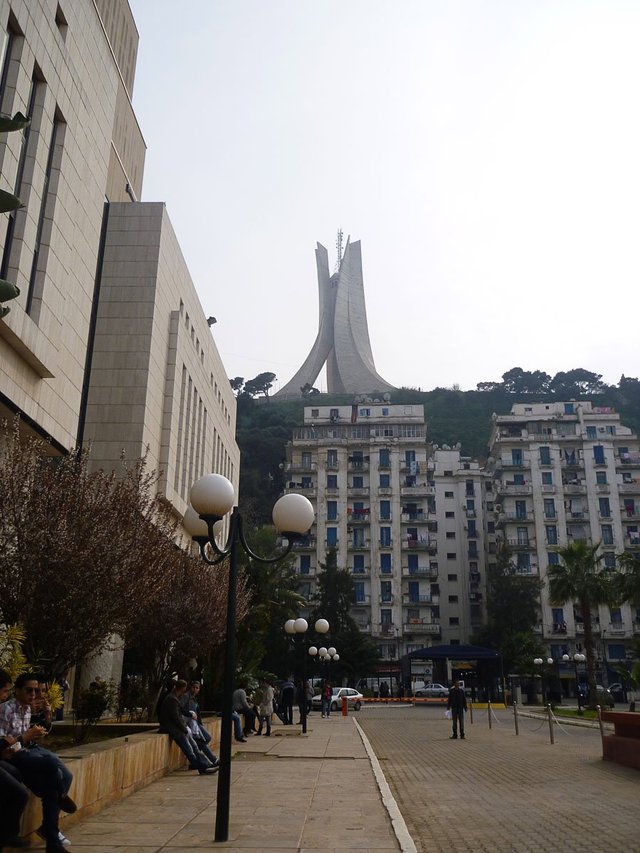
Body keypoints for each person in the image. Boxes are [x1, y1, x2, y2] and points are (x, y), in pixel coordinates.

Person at [0, 671, 75, 853]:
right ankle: (61, 798)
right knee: (50, 764)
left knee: (54, 786)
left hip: (24, 751)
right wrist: (24, 737)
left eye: (36, 691)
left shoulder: (27, 708)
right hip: (14, 755)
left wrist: (46, 718)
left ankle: (53, 841)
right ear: (17, 690)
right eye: (29, 691)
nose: (33, 695)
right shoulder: (6, 709)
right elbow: (5, 743)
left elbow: (41, 730)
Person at [157, 680, 217, 775]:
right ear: (182, 688)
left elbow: (181, 711)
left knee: (195, 747)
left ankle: (206, 765)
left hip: (181, 729)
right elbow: (175, 717)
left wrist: (190, 716)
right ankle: (203, 768)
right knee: (189, 751)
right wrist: (184, 729)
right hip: (176, 730)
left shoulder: (175, 698)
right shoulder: (172, 699)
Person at [0, 669, 30, 850]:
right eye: (4, 691)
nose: (5, 696)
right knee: (19, 794)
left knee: (15, 772)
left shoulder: (26, 709)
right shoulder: (5, 709)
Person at [179, 681, 219, 768]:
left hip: (196, 723)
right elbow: (180, 708)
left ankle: (196, 759)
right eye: (194, 687)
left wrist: (200, 722)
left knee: (207, 738)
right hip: (188, 724)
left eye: (197, 688)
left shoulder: (194, 698)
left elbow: (197, 712)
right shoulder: (186, 696)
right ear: (191, 687)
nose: (195, 689)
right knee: (200, 742)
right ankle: (212, 760)